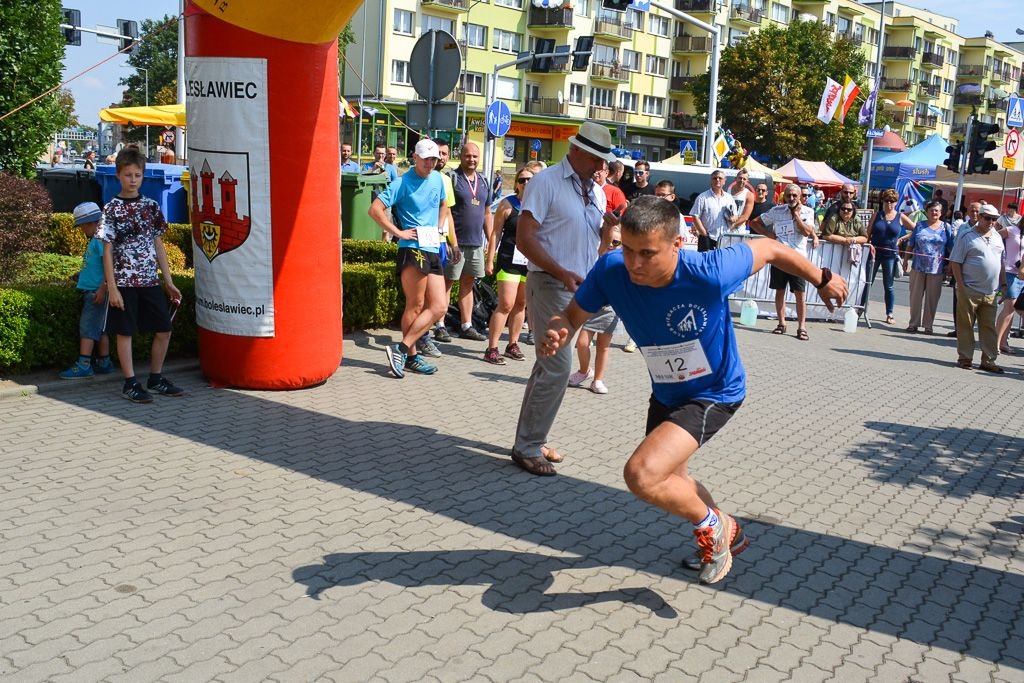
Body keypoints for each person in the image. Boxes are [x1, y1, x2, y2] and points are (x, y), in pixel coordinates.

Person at [537, 196, 848, 584]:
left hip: (715, 392)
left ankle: (713, 528)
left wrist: (821, 278)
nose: (634, 263)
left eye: (647, 253)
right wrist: (559, 331)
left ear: (676, 244)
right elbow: (570, 317)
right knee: (673, 480)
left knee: (642, 475)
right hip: (667, 392)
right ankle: (726, 534)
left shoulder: (709, 271)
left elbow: (769, 248)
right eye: (628, 249)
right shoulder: (611, 270)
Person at [511, 120, 615, 476]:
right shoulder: (546, 182)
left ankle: (531, 440)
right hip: (551, 285)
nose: (603, 166)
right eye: (598, 159)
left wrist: (607, 229)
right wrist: (560, 271)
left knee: (546, 367)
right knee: (557, 367)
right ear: (579, 151)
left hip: (577, 290)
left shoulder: (596, 191)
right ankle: (526, 446)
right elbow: (525, 241)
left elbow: (594, 244)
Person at [97, 146, 184, 403]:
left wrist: (167, 281)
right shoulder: (111, 209)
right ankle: (130, 382)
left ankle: (155, 378)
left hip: (149, 280)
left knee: (164, 329)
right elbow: (107, 250)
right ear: (118, 176)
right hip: (124, 282)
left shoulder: (151, 207)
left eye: (137, 175)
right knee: (125, 333)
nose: (133, 179)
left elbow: (158, 245)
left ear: (143, 176)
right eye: (128, 175)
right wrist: (111, 287)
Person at [369, 139, 458, 378]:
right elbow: (374, 209)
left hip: (432, 245)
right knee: (415, 305)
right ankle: (411, 357)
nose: (431, 164)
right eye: (427, 159)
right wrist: (398, 233)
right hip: (411, 247)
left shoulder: (438, 179)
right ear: (414, 158)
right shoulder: (402, 182)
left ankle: (401, 348)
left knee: (438, 306)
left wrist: (441, 229)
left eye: (435, 160)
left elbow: (443, 206)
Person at [749, 183, 819, 340]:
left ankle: (802, 327)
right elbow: (754, 222)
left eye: (795, 195)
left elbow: (807, 232)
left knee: (800, 294)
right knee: (780, 291)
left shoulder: (808, 211)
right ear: (784, 196)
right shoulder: (777, 210)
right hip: (780, 257)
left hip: (798, 259)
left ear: (800, 196)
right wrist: (769, 235)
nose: (792, 198)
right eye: (789, 195)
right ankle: (781, 323)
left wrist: (796, 216)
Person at [484, 166, 533, 365]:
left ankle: (512, 344)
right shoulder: (507, 204)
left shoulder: (539, 205)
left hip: (529, 262)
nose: (526, 183)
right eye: (522, 180)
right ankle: (492, 348)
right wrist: (490, 259)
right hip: (508, 259)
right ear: (516, 184)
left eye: (530, 179)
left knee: (521, 304)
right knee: (506, 304)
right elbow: (495, 233)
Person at [443, 142, 493, 341]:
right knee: (447, 283)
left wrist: (490, 239)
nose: (471, 160)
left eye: (475, 156)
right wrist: (447, 240)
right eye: (467, 156)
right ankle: (440, 324)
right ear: (461, 157)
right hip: (455, 242)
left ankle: (466, 325)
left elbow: (487, 213)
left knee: (468, 284)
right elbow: (445, 211)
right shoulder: (452, 179)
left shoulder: (484, 181)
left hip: (475, 243)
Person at [58, 202, 114, 379]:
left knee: (88, 328)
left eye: (82, 226)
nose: (82, 230)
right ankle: (104, 362)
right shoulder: (98, 239)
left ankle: (84, 365)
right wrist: (81, 274)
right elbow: (96, 265)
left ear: (90, 223)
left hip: (95, 293)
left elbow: (109, 266)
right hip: (95, 290)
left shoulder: (99, 240)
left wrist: (102, 287)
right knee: (101, 329)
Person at [950, 204, 1005, 373]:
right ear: (979, 217)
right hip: (970, 288)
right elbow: (955, 261)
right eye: (987, 218)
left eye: (994, 219)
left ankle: (988, 360)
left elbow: (1001, 264)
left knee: (989, 327)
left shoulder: (997, 237)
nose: (991, 222)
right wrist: (961, 286)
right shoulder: (967, 236)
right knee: (965, 324)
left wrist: (1003, 285)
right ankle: (965, 358)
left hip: (991, 291)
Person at [569, 223, 622, 395]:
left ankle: (598, 380)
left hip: (610, 308)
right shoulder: (595, 257)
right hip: (591, 306)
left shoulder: (623, 261)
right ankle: (584, 371)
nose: (610, 245)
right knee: (582, 343)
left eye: (615, 242)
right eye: (607, 241)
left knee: (603, 347)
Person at [866, 188, 916, 325]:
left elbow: (915, 229)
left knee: (888, 286)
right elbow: (867, 234)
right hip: (875, 253)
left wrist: (902, 239)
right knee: (867, 283)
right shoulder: (877, 215)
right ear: (882, 201)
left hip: (891, 254)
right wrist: (867, 244)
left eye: (892, 201)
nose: (889, 204)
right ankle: (861, 309)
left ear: (896, 203)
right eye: (886, 200)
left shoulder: (900, 217)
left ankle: (890, 313)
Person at [905, 200, 954, 335]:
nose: (934, 213)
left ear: (941, 213)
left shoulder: (946, 227)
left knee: (932, 299)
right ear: (927, 211)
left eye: (937, 210)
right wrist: (905, 261)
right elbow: (910, 244)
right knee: (915, 297)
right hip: (917, 267)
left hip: (936, 269)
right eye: (931, 210)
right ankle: (913, 323)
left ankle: (928, 325)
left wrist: (950, 265)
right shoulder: (919, 225)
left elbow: (951, 247)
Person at [995, 202, 1023, 353]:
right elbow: (994, 237)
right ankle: (996, 342)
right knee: (1009, 307)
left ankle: (1004, 342)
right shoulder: (1012, 230)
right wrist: (1000, 257)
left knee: (1013, 309)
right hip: (1010, 272)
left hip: (1022, 275)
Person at [691, 170, 737, 252]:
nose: (717, 180)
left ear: (724, 181)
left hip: (724, 238)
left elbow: (735, 215)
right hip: (707, 238)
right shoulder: (702, 197)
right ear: (711, 181)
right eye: (715, 178)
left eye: (720, 178)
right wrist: (704, 234)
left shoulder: (729, 198)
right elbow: (695, 216)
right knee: (706, 263)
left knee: (723, 263)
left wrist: (733, 218)